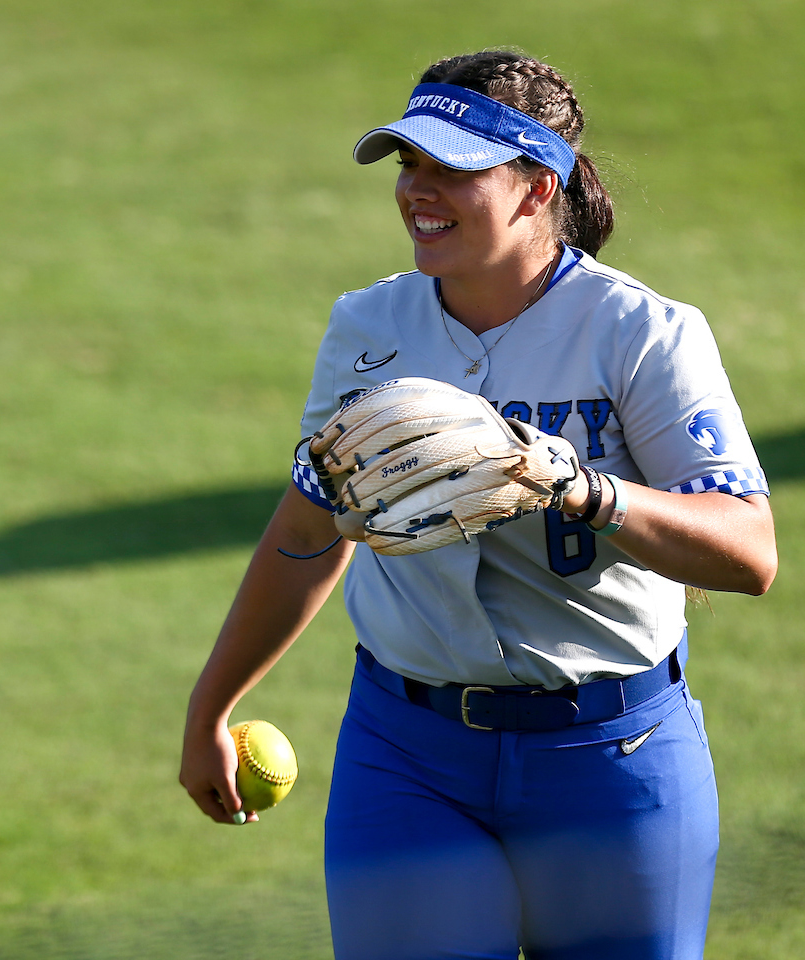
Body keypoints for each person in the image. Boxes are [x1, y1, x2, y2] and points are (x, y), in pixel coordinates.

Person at [179, 50, 777, 960]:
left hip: (611, 764)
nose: (418, 190)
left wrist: (578, 486)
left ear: (538, 187)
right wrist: (210, 708)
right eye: (408, 163)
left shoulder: (642, 334)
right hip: (410, 760)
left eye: (452, 169)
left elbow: (749, 553)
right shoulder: (369, 329)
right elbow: (308, 530)